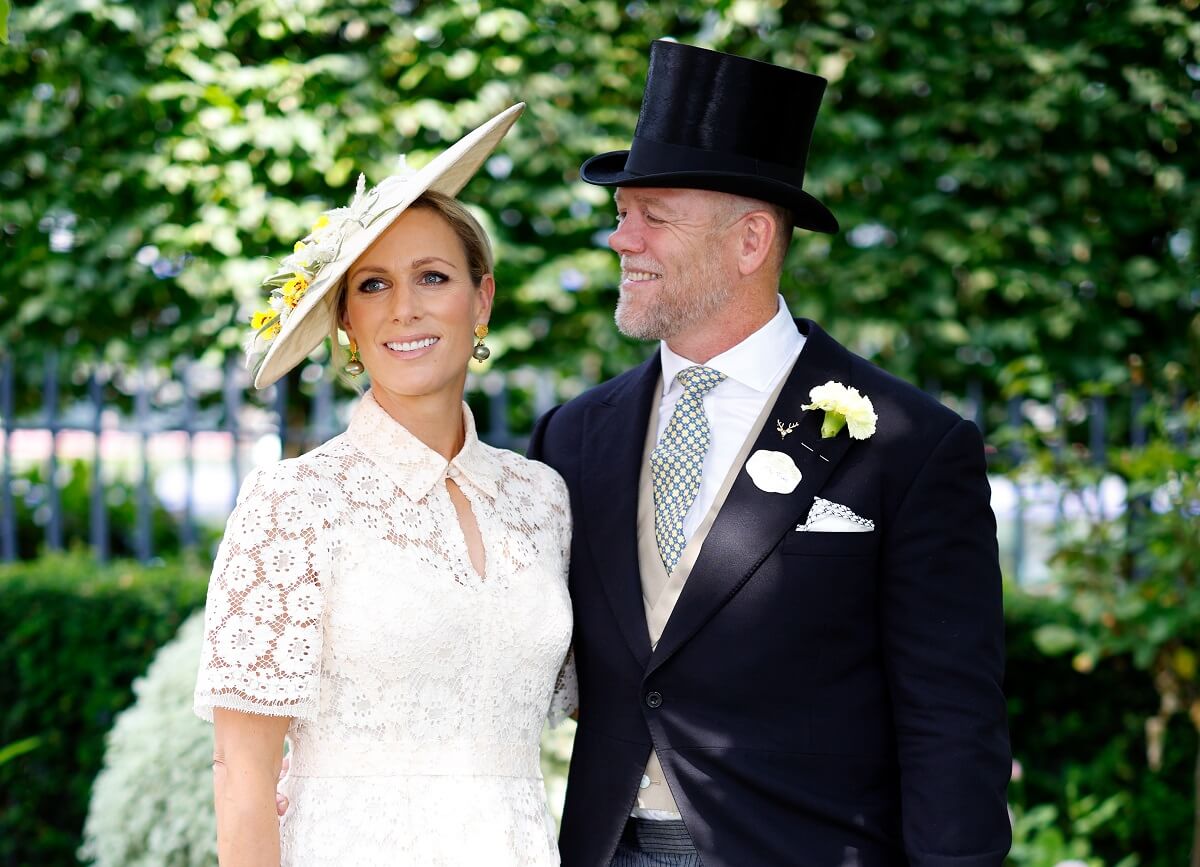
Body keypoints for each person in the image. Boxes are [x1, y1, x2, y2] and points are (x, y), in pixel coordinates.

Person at [527, 41, 1012, 867]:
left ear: (751, 240)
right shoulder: (572, 435)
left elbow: (951, 721)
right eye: (620, 213)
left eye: (654, 215)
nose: (620, 240)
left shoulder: (912, 446)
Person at [193, 102, 577, 867]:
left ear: (483, 299)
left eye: (433, 277)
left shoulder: (543, 498)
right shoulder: (294, 502)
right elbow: (241, 779)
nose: (404, 307)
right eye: (372, 285)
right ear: (345, 323)